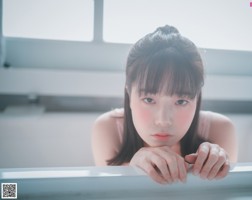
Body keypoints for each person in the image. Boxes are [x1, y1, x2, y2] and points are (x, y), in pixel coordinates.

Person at [92, 25, 238, 184]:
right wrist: (133, 168)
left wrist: (215, 164)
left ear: (197, 98)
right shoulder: (108, 128)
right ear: (129, 93)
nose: (163, 120)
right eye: (149, 99)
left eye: (181, 101)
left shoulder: (220, 129)